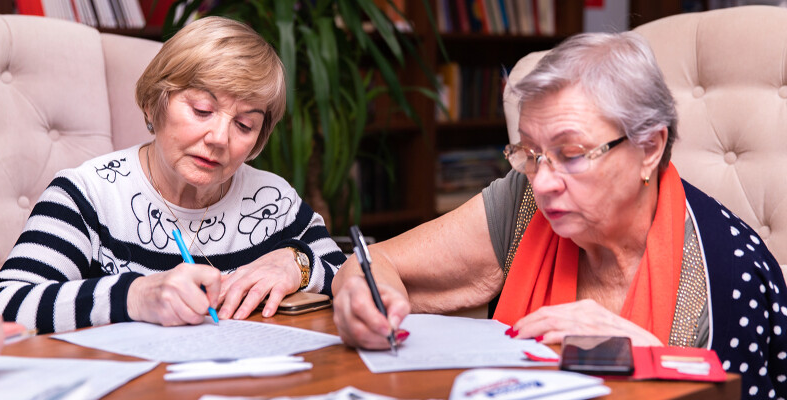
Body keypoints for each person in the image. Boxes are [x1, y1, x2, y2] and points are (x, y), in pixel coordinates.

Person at [332, 32, 787, 399]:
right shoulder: (524, 201)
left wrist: (646, 358)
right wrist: (361, 296)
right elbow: (373, 264)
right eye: (530, 152)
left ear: (648, 148)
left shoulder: (729, 269)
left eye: (570, 154)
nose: (543, 180)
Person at [0, 17, 345, 334]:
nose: (220, 139)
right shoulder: (88, 194)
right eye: (202, 110)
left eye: (244, 124)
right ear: (155, 102)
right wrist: (135, 295)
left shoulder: (271, 200)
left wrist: (299, 264)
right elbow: (5, 304)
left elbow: (356, 278)